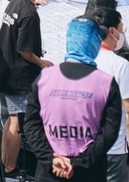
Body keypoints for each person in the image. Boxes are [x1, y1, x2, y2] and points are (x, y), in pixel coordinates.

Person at [24, 17, 122, 182]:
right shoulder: (106, 82)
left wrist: (50, 159)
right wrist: (78, 163)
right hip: (90, 171)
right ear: (95, 44)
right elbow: (109, 133)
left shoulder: (44, 78)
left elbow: (31, 124)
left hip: (50, 170)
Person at [0, 0, 53, 181]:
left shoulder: (16, 2)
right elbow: (24, 50)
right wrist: (41, 62)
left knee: (10, 121)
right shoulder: (29, 13)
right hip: (18, 76)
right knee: (17, 123)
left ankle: (3, 164)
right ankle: (11, 170)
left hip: (4, 71)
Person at [93, 8, 129, 182]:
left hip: (85, 146)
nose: (122, 32)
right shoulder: (120, 64)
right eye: (122, 27)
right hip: (114, 146)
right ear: (112, 31)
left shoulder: (84, 59)